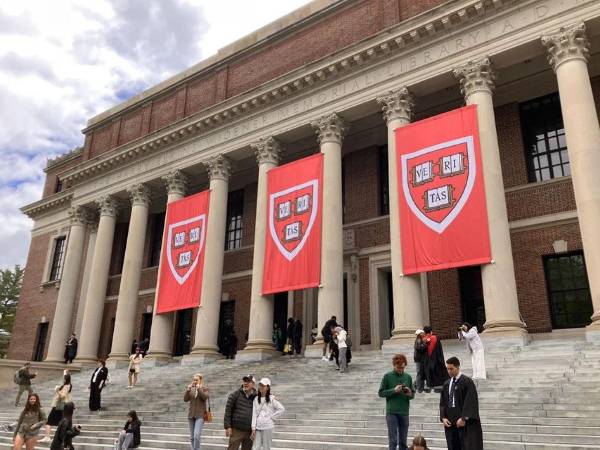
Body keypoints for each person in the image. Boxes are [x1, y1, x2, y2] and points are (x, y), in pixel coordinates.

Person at [439, 357, 483, 450]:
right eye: (448, 369)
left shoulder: (466, 382)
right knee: (453, 446)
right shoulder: (447, 383)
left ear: (458, 367)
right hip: (451, 424)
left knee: (466, 446)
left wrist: (464, 418)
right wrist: (443, 417)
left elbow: (471, 401)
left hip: (464, 424)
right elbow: (443, 402)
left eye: (451, 369)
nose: (449, 371)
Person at [378, 354, 414, 450]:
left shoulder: (408, 377)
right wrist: (393, 391)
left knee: (403, 440)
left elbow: (412, 395)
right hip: (391, 412)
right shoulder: (387, 376)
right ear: (394, 365)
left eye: (402, 367)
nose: (400, 370)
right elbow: (380, 393)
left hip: (404, 411)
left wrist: (409, 393)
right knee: (393, 440)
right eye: (398, 368)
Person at [224, 374, 257, 450]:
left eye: (248, 381)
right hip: (236, 430)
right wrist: (227, 426)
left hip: (249, 431)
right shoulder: (234, 395)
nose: (245, 383)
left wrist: (271, 397)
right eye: (244, 381)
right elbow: (228, 411)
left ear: (253, 384)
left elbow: (265, 397)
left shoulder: (256, 396)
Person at [251, 378, 285, 450]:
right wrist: (253, 428)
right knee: (255, 448)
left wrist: (271, 417)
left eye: (263, 385)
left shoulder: (272, 399)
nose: (261, 387)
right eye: (260, 385)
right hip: (258, 427)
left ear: (268, 387)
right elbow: (254, 414)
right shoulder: (256, 399)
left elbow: (281, 409)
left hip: (268, 427)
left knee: (266, 447)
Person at [184, 373, 209, 450]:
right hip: (191, 415)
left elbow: (205, 397)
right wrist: (187, 391)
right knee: (192, 437)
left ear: (200, 380)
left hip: (200, 415)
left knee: (196, 435)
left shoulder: (205, 388)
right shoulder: (191, 389)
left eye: (196, 380)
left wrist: (199, 389)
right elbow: (185, 399)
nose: (195, 381)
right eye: (194, 380)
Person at [423, 326, 449, 392]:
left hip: (428, 359)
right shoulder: (435, 338)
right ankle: (440, 382)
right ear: (431, 331)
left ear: (425, 332)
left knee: (429, 369)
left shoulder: (424, 339)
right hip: (437, 358)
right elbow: (439, 350)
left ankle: (430, 383)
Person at [413, 329, 428, 393]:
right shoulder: (419, 340)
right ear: (420, 334)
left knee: (420, 373)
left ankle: (418, 386)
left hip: (419, 359)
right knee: (419, 373)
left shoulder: (419, 340)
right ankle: (419, 388)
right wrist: (425, 343)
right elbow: (419, 348)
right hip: (419, 360)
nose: (423, 334)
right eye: (422, 333)